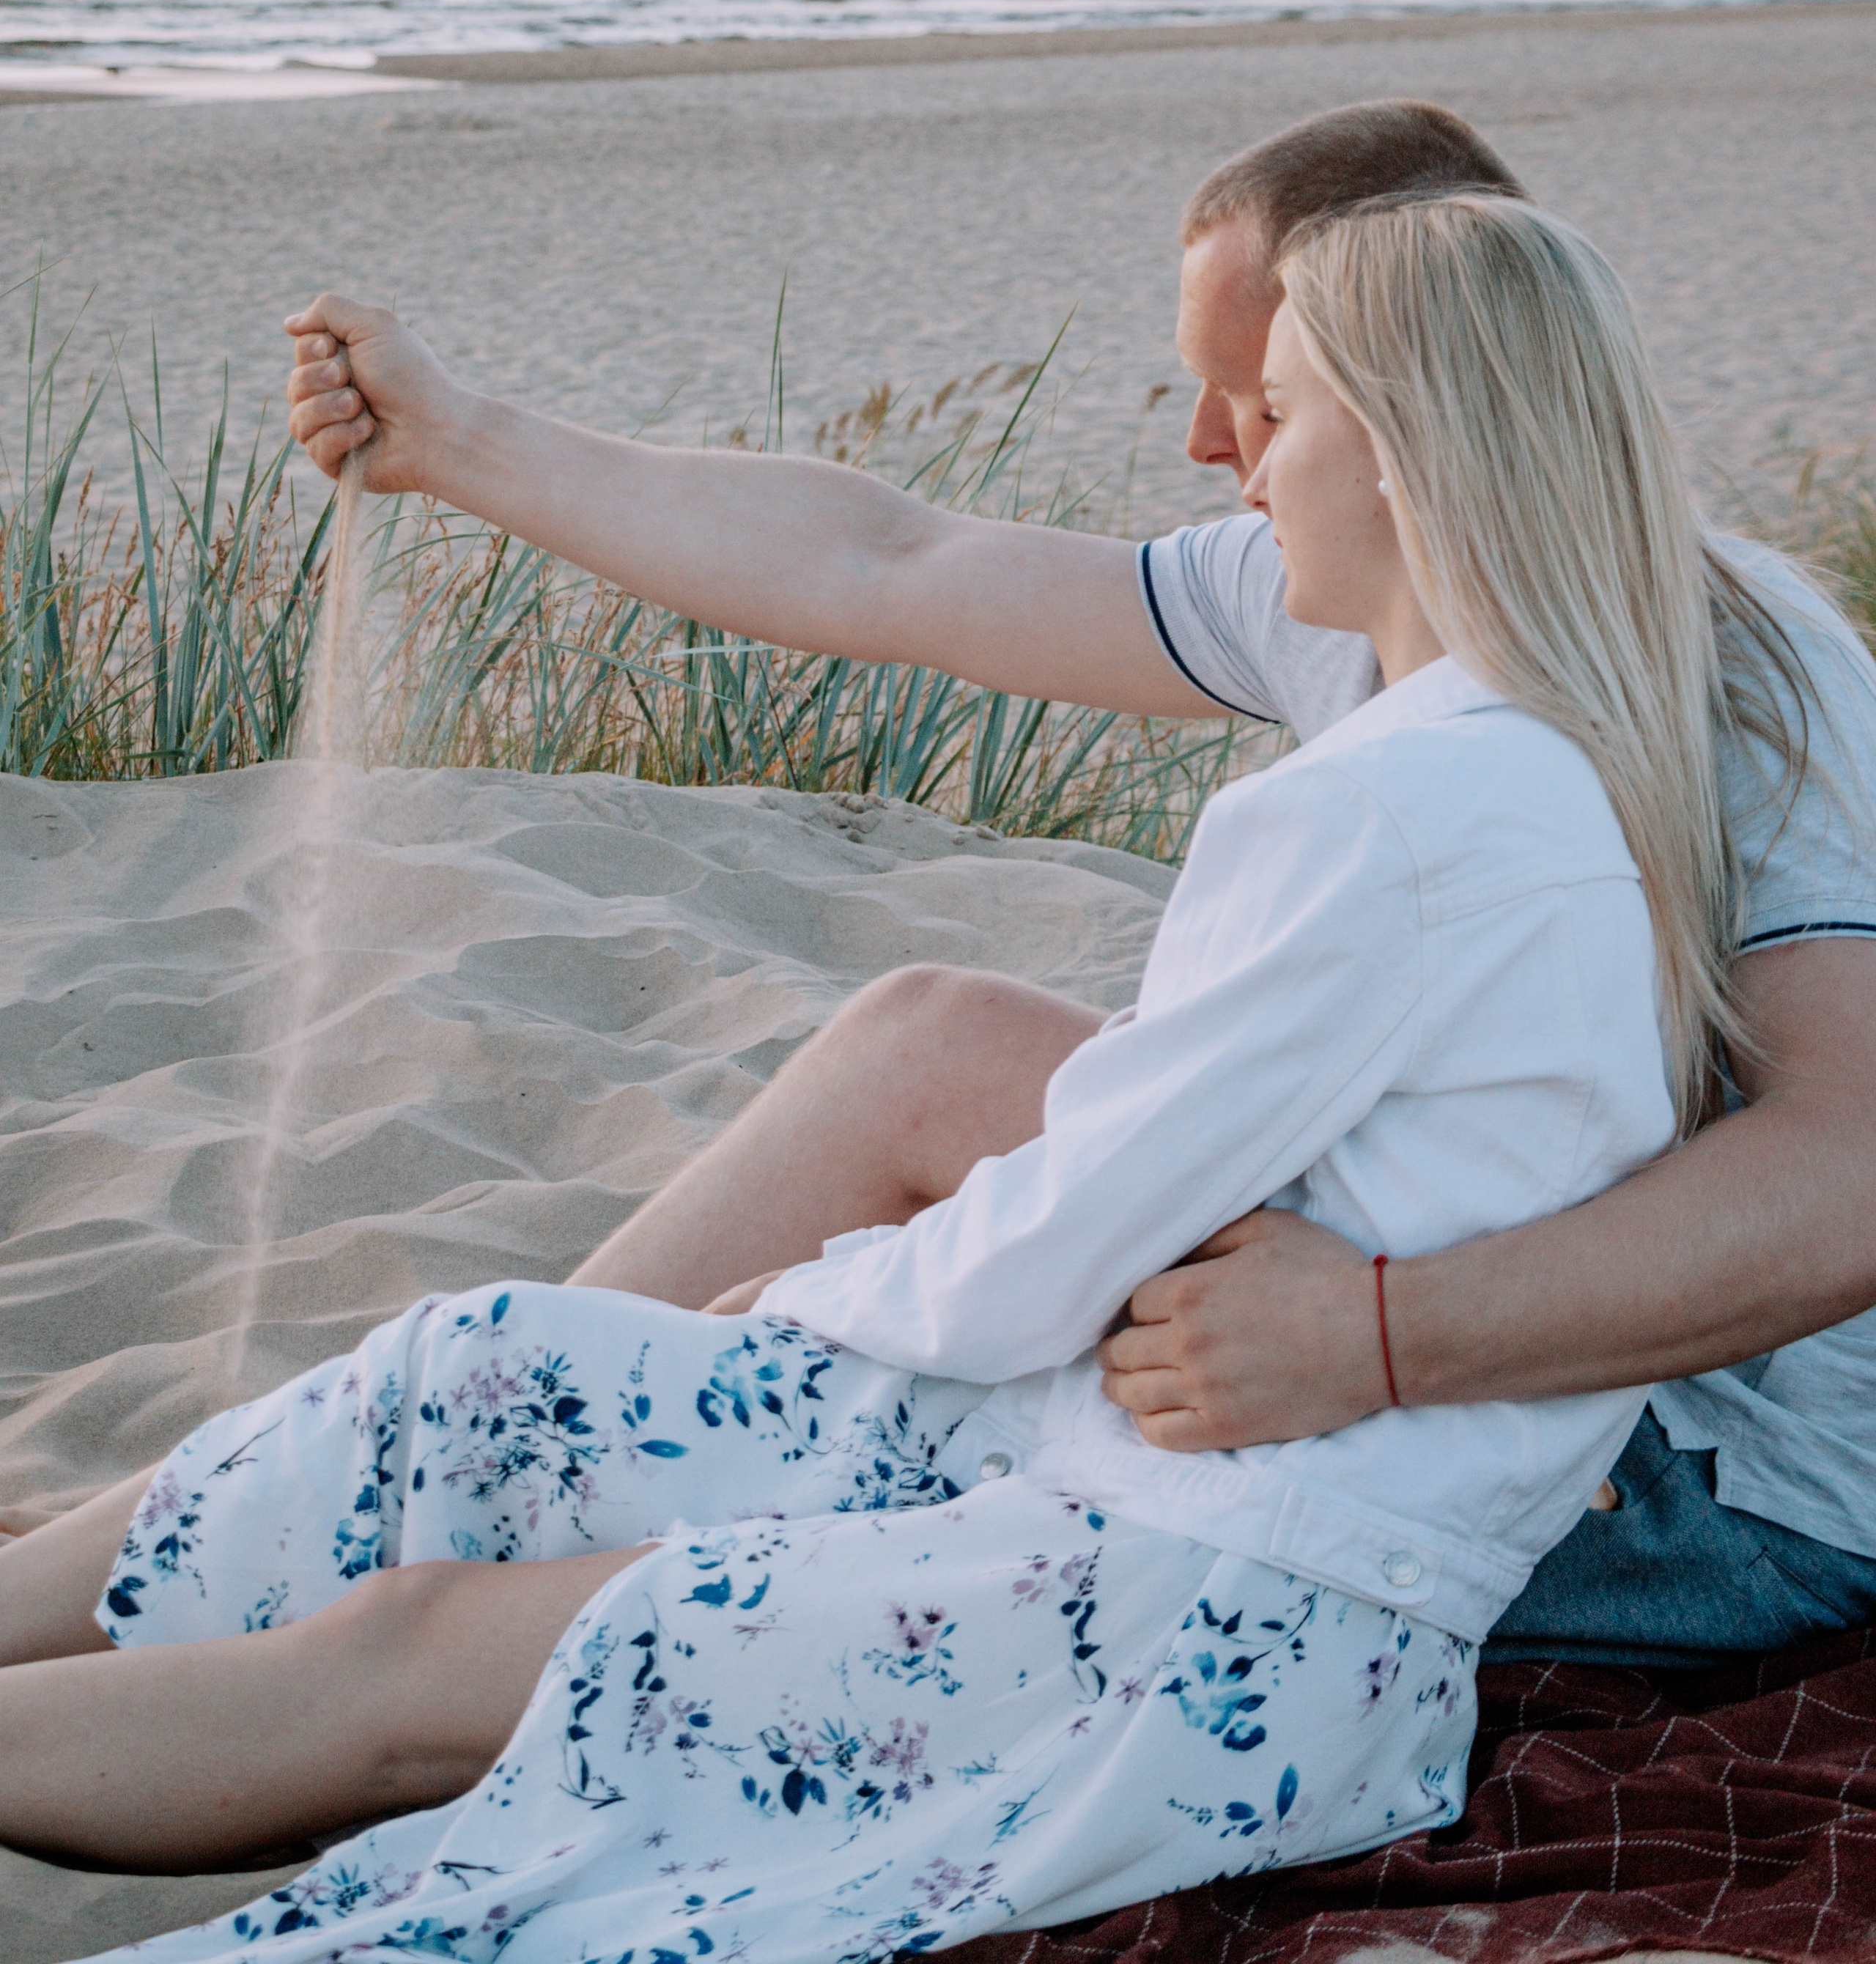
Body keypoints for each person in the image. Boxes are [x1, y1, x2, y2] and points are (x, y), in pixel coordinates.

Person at [0, 196, 1728, 1960]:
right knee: (489, 1368)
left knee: (421, 1655)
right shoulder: (1559, 751)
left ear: (1409, 448)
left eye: (1276, 414)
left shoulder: (1389, 809)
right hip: (1196, 1526)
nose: (1238, 463)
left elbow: (1080, 1222)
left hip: (1200, 1608)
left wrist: (803, 1297)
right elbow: (893, 570)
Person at [280, 97, 1876, 1669]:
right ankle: (450, 1469)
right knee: (927, 1041)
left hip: (1698, 1466)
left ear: (1411, 392)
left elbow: (1851, 1164)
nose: (1208, 447)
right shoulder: (1352, 585)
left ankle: (439, 1540)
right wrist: (459, 441)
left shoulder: (1741, 668)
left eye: (1257, 393)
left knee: (946, 1351)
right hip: (1430, 1282)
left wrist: (1376, 1334)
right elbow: (890, 565)